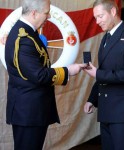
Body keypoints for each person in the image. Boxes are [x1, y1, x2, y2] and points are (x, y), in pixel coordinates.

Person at [5, 0, 87, 150]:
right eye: (46, 12)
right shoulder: (23, 39)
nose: (49, 16)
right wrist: (68, 71)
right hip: (28, 113)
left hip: (31, 111)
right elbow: (39, 75)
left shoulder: (27, 33)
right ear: (34, 13)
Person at [83, 0, 124, 150]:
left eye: (100, 16)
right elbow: (104, 71)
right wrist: (92, 99)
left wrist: (97, 73)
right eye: (96, 17)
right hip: (107, 111)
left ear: (112, 11)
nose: (97, 21)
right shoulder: (106, 37)